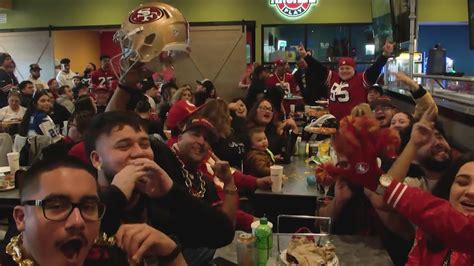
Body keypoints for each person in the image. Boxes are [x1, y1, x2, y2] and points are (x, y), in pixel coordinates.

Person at [84, 112, 234, 259]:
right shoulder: (80, 201)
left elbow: (222, 234)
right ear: (97, 159)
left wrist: (171, 192)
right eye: (124, 146)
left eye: (144, 144)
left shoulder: (157, 201)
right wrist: (116, 195)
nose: (139, 153)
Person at [3, 157, 187, 266]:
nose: (77, 221)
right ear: (21, 217)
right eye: (57, 206)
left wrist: (171, 254)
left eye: (88, 207)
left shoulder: (108, 256)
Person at [298, 41, 394, 120]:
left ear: (353, 69)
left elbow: (375, 69)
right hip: (334, 123)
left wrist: (385, 55)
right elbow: (318, 68)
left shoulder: (361, 79)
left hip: (355, 124)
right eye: (342, 68)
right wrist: (306, 56)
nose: (344, 71)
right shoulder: (332, 77)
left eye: (348, 68)